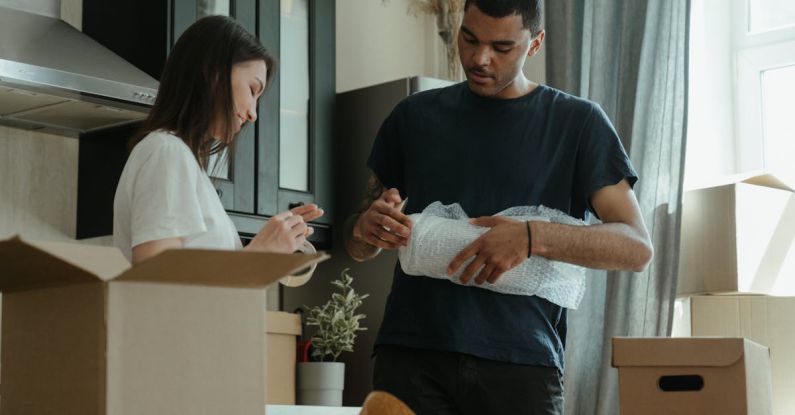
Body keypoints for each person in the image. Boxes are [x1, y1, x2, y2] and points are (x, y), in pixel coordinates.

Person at [345, 0, 653, 413]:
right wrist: (365, 229)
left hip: (521, 365)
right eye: (469, 39)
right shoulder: (412, 118)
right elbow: (359, 245)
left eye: (502, 47)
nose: (478, 58)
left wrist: (531, 236)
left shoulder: (578, 124)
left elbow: (636, 247)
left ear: (536, 43)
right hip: (411, 358)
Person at [114, 15, 323, 264]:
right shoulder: (166, 151)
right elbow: (157, 282)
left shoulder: (184, 162)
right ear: (213, 73)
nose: (253, 114)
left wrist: (270, 247)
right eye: (252, 90)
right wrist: (260, 254)